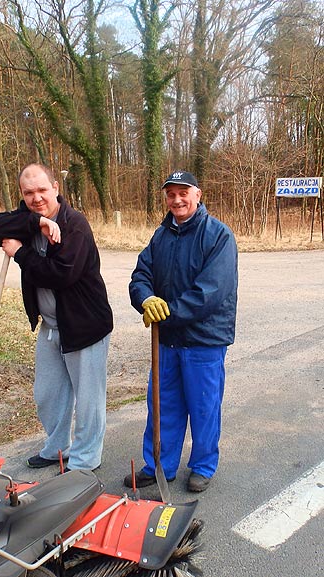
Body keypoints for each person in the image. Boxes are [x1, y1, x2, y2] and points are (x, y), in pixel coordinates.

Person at [0, 163, 113, 472]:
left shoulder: (75, 224)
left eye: (42, 190)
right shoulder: (25, 220)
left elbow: (62, 275)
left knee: (88, 399)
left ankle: (84, 460)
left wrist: (21, 253)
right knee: (47, 394)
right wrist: (36, 223)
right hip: (52, 326)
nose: (37, 197)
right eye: (29, 193)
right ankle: (58, 447)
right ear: (22, 195)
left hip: (85, 325)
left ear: (56, 188)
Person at [125, 170, 238, 492]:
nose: (177, 199)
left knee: (203, 406)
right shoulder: (160, 236)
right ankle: (160, 464)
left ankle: (203, 465)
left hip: (204, 341)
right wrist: (146, 299)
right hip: (167, 341)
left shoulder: (218, 236)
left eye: (183, 192)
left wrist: (168, 313)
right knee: (163, 406)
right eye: (171, 194)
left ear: (198, 195)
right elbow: (140, 275)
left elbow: (211, 292)